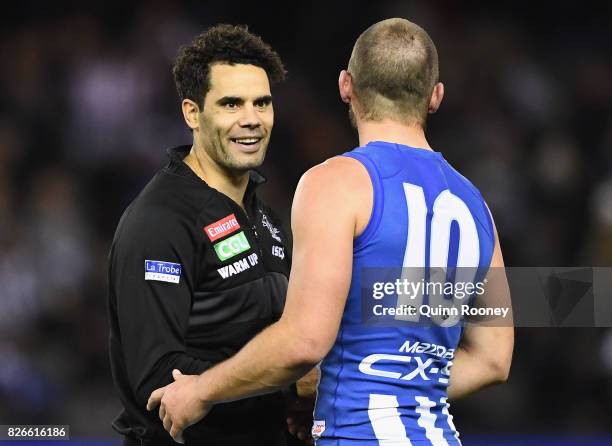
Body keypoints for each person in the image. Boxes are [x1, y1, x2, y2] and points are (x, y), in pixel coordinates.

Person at [147, 18, 515, 445]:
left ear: (346, 85)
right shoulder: (476, 205)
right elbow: (494, 360)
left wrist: (201, 389)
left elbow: (303, 340)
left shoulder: (336, 183)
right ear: (435, 96)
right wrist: (382, 388)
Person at [107, 24, 298, 446]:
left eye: (261, 103)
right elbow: (158, 379)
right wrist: (291, 385)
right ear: (192, 113)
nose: (251, 119)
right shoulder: (157, 222)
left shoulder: (266, 218)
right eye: (231, 104)